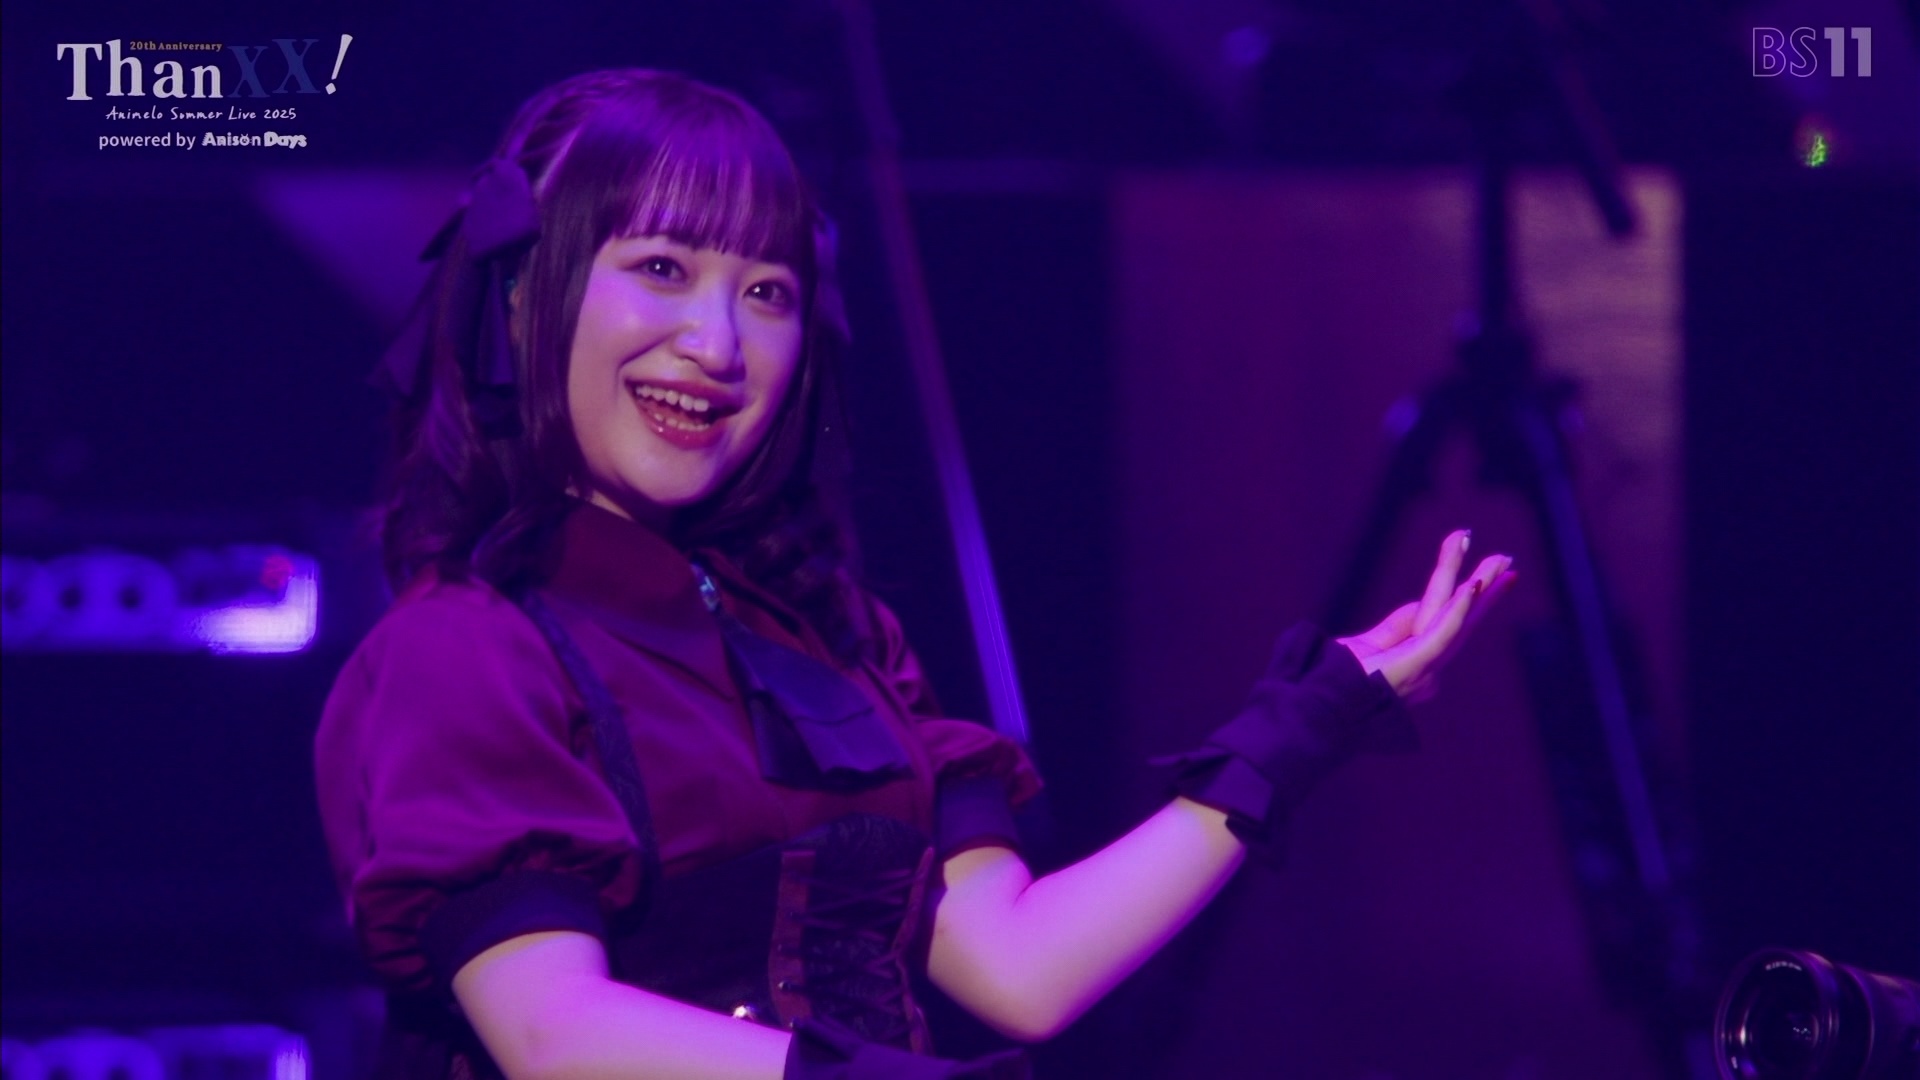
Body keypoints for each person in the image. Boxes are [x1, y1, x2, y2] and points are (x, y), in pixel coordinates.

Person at [313, 68, 1516, 1080]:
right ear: (524, 292)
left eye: (766, 293)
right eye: (664, 268)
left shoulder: (828, 638)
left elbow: (1017, 969)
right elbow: (550, 1030)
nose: (719, 345)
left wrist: (1299, 729)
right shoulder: (465, 650)